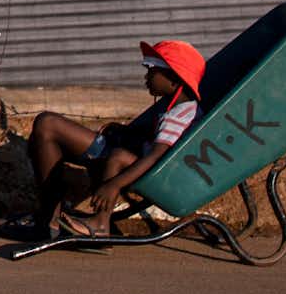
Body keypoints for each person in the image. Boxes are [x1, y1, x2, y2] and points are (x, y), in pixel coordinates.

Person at [25, 40, 205, 238]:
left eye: (151, 71)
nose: (146, 77)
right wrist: (127, 133)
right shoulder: (180, 109)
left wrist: (114, 185)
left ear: (173, 79)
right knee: (46, 125)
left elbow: (155, 156)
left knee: (48, 124)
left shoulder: (178, 116)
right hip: (134, 157)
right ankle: (50, 220)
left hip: (144, 169)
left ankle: (92, 224)